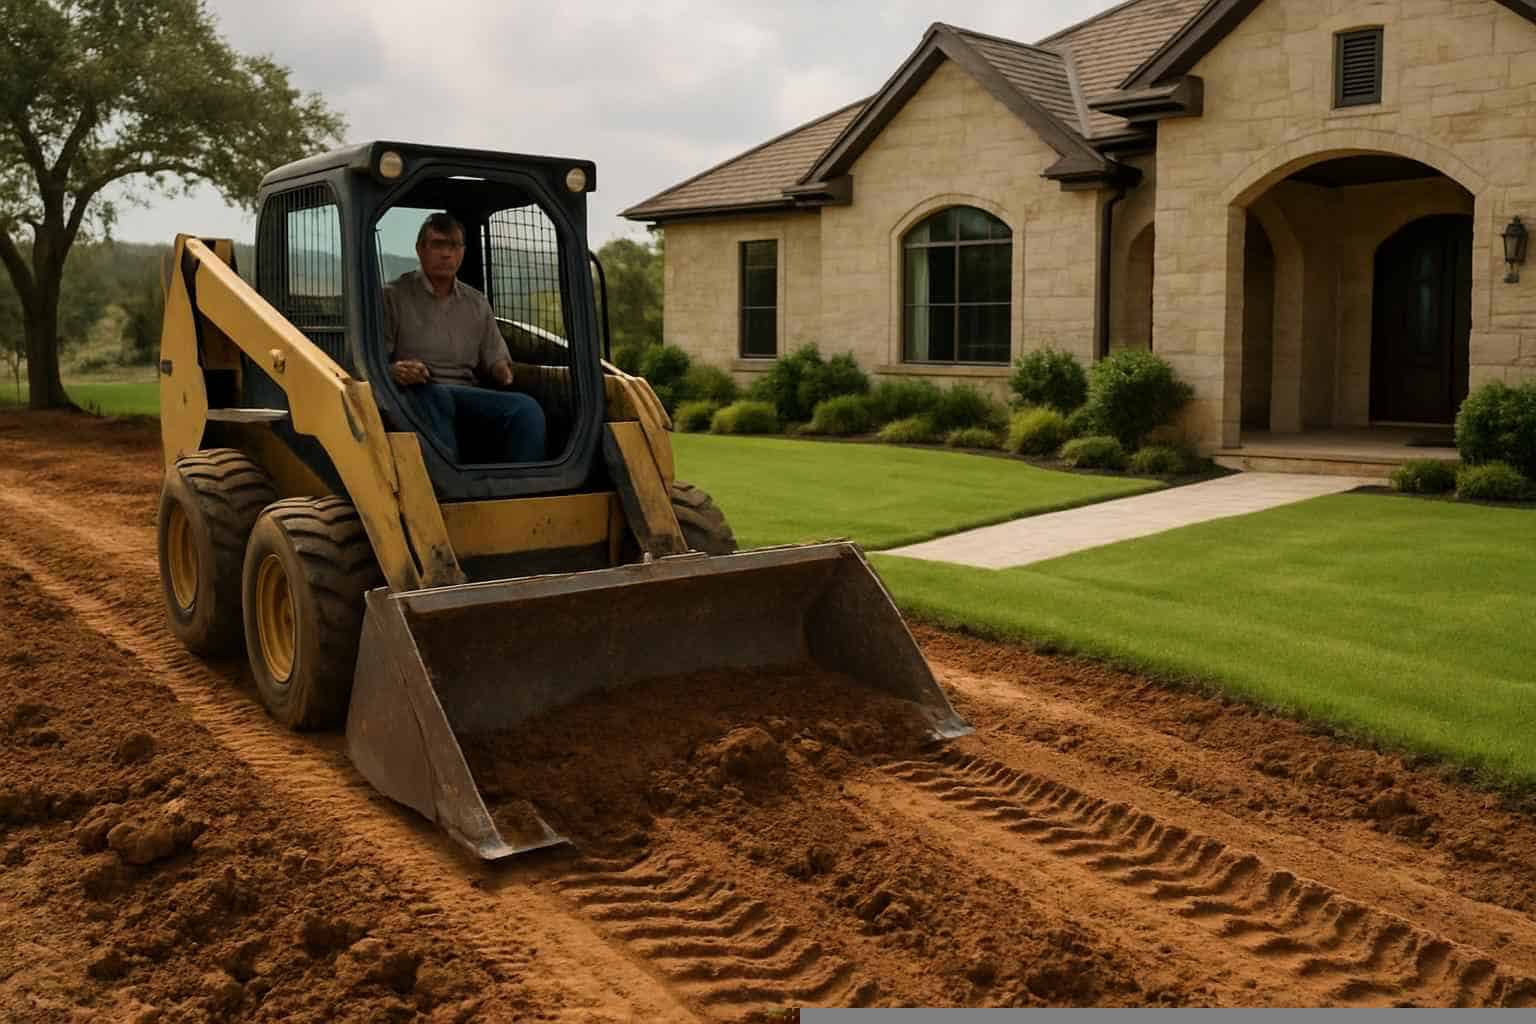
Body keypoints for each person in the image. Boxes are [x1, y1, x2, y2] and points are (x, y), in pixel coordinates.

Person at [383, 212, 547, 463]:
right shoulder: (392, 296)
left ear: (462, 252)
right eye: (438, 245)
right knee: (435, 399)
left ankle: (523, 485)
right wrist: (394, 371)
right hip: (415, 395)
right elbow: (370, 364)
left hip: (467, 396)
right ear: (420, 249)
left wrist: (506, 372)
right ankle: (449, 482)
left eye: (454, 246)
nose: (446, 254)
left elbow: (497, 361)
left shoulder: (477, 303)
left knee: (526, 409)